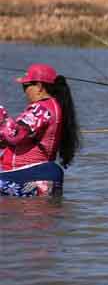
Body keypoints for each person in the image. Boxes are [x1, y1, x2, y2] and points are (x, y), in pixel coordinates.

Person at [0, 64, 81, 197]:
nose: (24, 91)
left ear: (39, 86)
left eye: (25, 86)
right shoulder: (50, 107)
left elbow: (15, 134)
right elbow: (11, 138)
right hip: (33, 175)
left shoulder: (42, 109)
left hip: (30, 175)